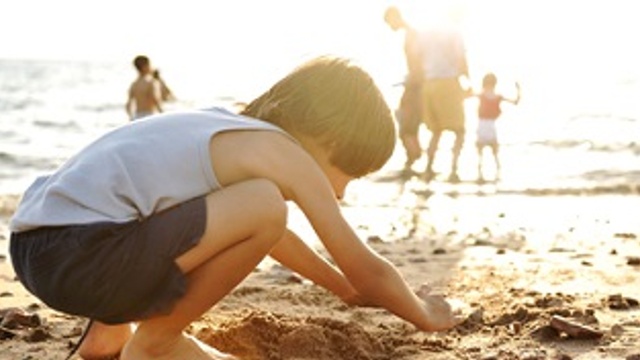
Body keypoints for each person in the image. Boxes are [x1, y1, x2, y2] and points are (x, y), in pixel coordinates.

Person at [9, 56, 463, 360]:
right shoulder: (283, 152)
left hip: (37, 247)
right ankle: (157, 341)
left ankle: (105, 338)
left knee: (192, 207)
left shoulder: (225, 129)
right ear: (332, 141)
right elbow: (364, 266)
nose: (341, 192)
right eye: (350, 173)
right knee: (266, 204)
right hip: (84, 255)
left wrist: (340, 288)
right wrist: (425, 314)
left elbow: (263, 234)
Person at [414, 8, 470, 183]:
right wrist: (468, 81)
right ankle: (454, 169)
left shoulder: (424, 33)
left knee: (436, 131)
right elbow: (461, 59)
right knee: (459, 130)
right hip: (448, 82)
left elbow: (416, 56)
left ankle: (429, 168)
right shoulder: (454, 32)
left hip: (429, 84)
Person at [384, 6, 424, 177]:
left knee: (406, 126)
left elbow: (417, 62)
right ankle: (413, 161)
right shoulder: (412, 33)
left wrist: (410, 82)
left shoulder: (412, 35)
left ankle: (413, 159)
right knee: (410, 125)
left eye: (388, 22)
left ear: (395, 17)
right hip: (416, 84)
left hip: (415, 86)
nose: (389, 26)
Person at [471, 73, 521, 183]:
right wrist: (518, 90)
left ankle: (481, 174)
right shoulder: (497, 97)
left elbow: (466, 95)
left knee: (482, 153)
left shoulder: (483, 95)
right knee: (494, 153)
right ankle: (496, 174)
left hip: (482, 125)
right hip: (490, 125)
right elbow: (516, 102)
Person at [125, 55, 166, 121]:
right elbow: (155, 100)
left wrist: (131, 117)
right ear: (145, 66)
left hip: (137, 116)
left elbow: (128, 105)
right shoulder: (150, 82)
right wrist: (163, 115)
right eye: (149, 65)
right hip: (149, 115)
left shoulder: (134, 84)